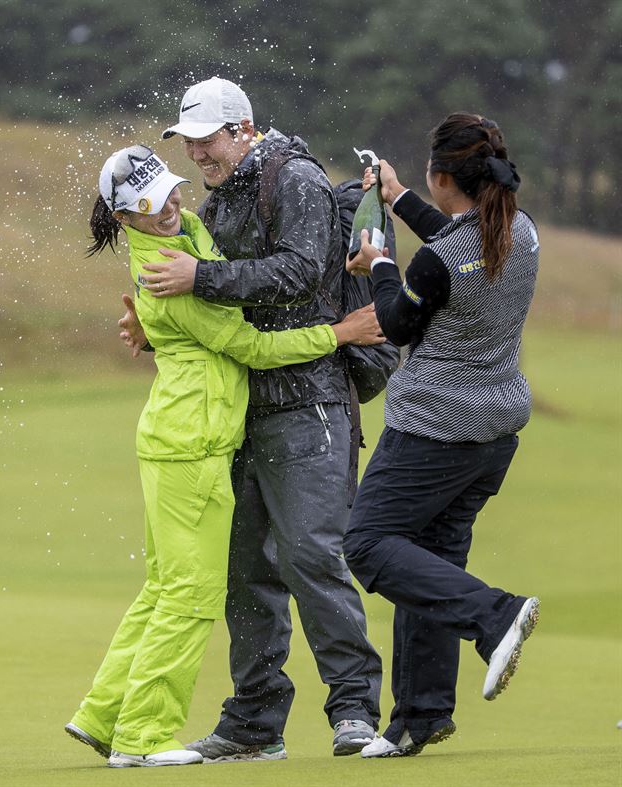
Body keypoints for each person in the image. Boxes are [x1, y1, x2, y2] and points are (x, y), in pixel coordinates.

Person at [65, 145, 384, 768]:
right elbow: (249, 348)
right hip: (192, 443)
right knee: (191, 593)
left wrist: (151, 327)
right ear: (129, 216)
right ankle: (142, 736)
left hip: (186, 438)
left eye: (173, 191)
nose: (175, 205)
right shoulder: (166, 270)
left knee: (163, 587)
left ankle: (103, 715)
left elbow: (216, 269)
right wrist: (340, 334)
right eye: (157, 204)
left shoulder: (186, 234)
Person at [342, 112, 541, 758]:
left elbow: (397, 323)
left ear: (443, 175)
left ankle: (495, 615)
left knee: (369, 544)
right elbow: (448, 249)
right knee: (430, 559)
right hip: (492, 437)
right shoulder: (520, 231)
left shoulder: (440, 261)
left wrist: (375, 263)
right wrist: (399, 199)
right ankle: (419, 716)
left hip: (433, 432)